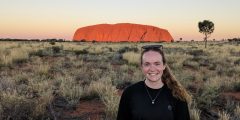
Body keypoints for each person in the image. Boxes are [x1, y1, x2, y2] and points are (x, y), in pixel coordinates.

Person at [117, 45, 191, 120]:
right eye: (147, 64)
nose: (152, 69)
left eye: (157, 64)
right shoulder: (130, 93)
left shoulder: (177, 94)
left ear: (164, 65)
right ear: (142, 67)